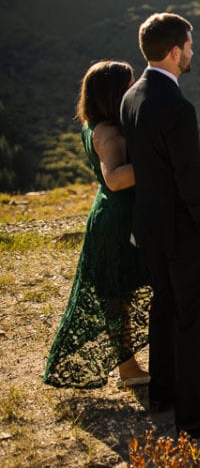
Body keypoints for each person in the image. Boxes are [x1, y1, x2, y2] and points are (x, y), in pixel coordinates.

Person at [120, 12, 200, 436]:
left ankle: (165, 393)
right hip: (184, 230)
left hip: (150, 225)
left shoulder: (131, 96)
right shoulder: (175, 105)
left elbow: (157, 165)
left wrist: (193, 172)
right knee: (193, 319)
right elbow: (186, 180)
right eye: (189, 47)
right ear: (175, 52)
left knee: (164, 308)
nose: (192, 53)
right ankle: (193, 414)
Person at [44, 61, 151, 389]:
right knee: (116, 295)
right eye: (130, 84)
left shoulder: (99, 125)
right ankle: (128, 369)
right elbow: (116, 179)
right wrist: (160, 162)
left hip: (119, 214)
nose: (135, 89)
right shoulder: (108, 132)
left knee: (121, 292)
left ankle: (130, 368)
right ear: (114, 92)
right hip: (116, 219)